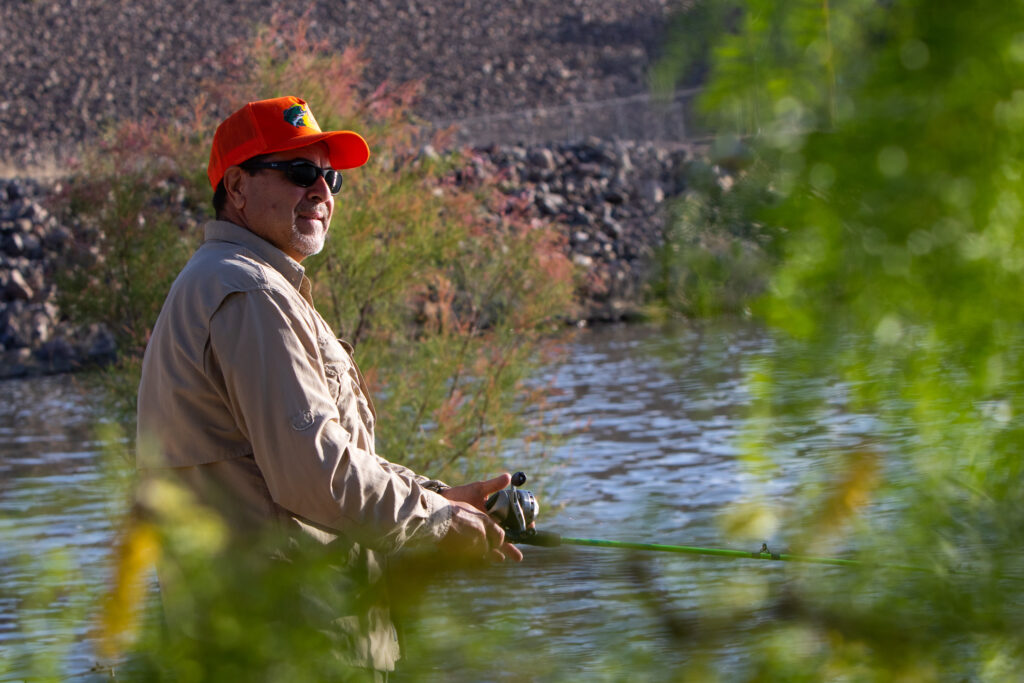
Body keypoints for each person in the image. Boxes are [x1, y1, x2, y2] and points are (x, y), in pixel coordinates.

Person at [135, 95, 521, 677]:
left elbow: (311, 455)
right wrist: (434, 521)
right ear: (236, 187)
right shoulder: (249, 293)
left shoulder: (238, 284)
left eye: (330, 177)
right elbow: (315, 472)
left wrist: (438, 497)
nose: (321, 192)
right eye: (299, 174)